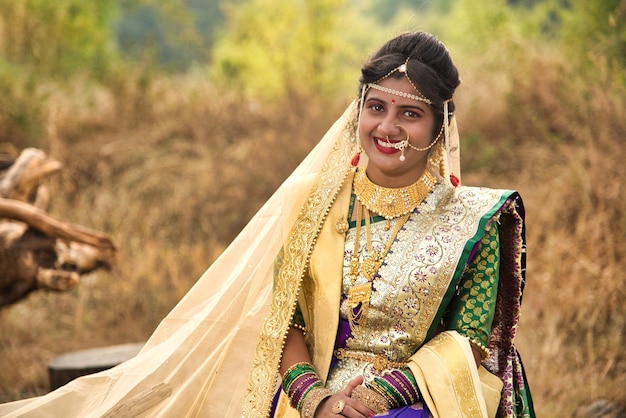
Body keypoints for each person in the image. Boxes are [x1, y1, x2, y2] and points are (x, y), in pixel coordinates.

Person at [0, 32, 534, 418]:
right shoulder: (315, 204)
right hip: (311, 397)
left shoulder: (477, 221)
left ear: (441, 124)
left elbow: (470, 341)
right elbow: (283, 319)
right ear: (358, 111)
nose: (387, 128)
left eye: (410, 114)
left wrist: (380, 398)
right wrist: (316, 398)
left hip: (419, 401)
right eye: (376, 108)